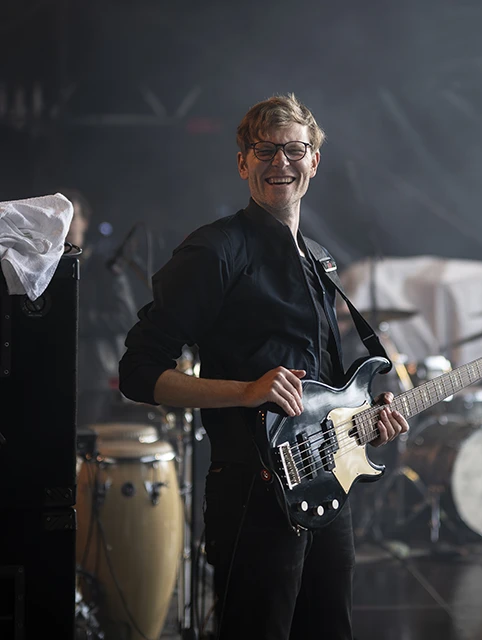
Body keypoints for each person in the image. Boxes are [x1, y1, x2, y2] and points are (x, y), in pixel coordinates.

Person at [118, 93, 409, 640]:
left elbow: (330, 388)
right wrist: (246, 391)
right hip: (251, 494)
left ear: (314, 161)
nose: (281, 163)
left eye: (294, 150)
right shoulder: (215, 251)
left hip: (327, 487)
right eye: (265, 151)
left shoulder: (319, 257)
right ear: (242, 162)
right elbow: (138, 370)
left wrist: (370, 419)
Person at [59, 188, 141, 427]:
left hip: (95, 378)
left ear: (85, 221)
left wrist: (75, 321)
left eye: (71, 216)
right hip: (54, 373)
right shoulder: (42, 268)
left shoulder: (105, 267)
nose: (64, 223)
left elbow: (125, 317)